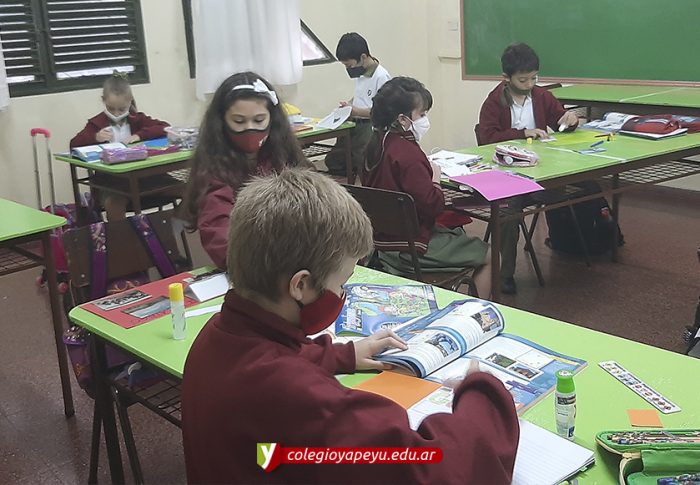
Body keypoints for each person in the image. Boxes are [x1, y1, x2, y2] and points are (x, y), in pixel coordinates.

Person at [181, 169, 519, 484]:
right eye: (341, 283)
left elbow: (272, 358)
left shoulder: (216, 334)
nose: (342, 294)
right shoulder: (299, 398)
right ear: (300, 285)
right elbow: (436, 469)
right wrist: (482, 394)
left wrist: (343, 355)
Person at [361, 77, 492, 298]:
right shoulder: (408, 154)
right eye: (421, 115)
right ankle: (475, 314)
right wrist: (435, 179)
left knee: (455, 232)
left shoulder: (374, 144)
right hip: (409, 249)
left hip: (378, 244)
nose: (425, 120)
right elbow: (432, 206)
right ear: (403, 119)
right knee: (490, 254)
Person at [477, 43, 580, 294]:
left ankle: (569, 245)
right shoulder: (495, 101)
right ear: (506, 78)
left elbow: (560, 119)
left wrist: (570, 120)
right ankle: (505, 275)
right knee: (507, 213)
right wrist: (522, 133)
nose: (530, 84)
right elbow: (487, 139)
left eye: (534, 78)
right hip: (508, 175)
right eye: (523, 80)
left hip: (541, 172)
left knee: (580, 188)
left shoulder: (541, 96)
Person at [180, 71, 308, 269]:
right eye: (239, 121)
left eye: (259, 120)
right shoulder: (214, 168)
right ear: (221, 122)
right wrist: (249, 264)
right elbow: (218, 227)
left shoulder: (284, 155)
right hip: (253, 265)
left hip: (299, 257)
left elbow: (315, 202)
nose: (250, 128)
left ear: (272, 119)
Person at [70, 72, 171, 221]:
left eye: (122, 109)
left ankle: (175, 226)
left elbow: (164, 127)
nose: (116, 114)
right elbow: (74, 144)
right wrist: (95, 137)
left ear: (129, 102)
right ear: (104, 101)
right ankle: (123, 235)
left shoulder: (137, 119)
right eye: (111, 108)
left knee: (188, 190)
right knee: (114, 204)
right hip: (111, 182)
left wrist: (139, 135)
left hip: (143, 177)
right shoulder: (96, 124)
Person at [323, 32, 391, 177]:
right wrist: (349, 104)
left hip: (370, 125)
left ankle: (359, 179)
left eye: (349, 65)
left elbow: (381, 111)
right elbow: (362, 96)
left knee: (361, 159)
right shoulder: (362, 74)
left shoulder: (381, 77)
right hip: (355, 121)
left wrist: (355, 111)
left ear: (363, 57)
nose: (348, 69)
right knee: (333, 161)